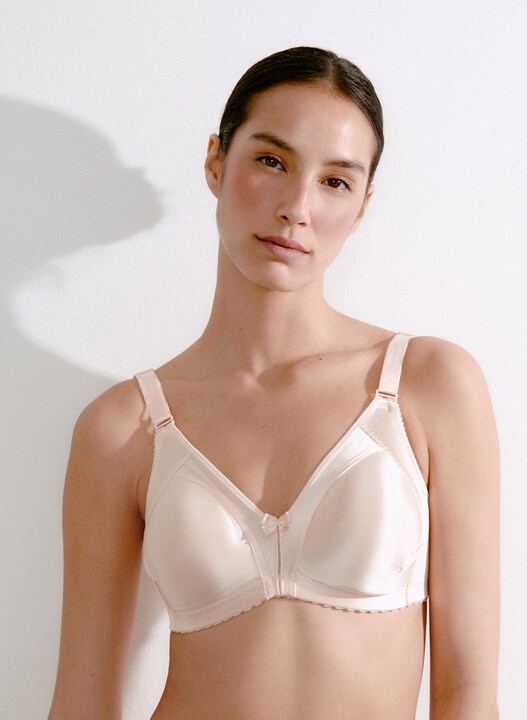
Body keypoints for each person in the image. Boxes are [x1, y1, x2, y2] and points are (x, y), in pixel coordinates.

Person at [48, 46, 500, 720]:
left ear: (363, 205)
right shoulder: (122, 428)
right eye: (271, 161)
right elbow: (81, 703)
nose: (297, 207)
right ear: (215, 161)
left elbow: (467, 691)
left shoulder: (429, 386)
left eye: (335, 181)